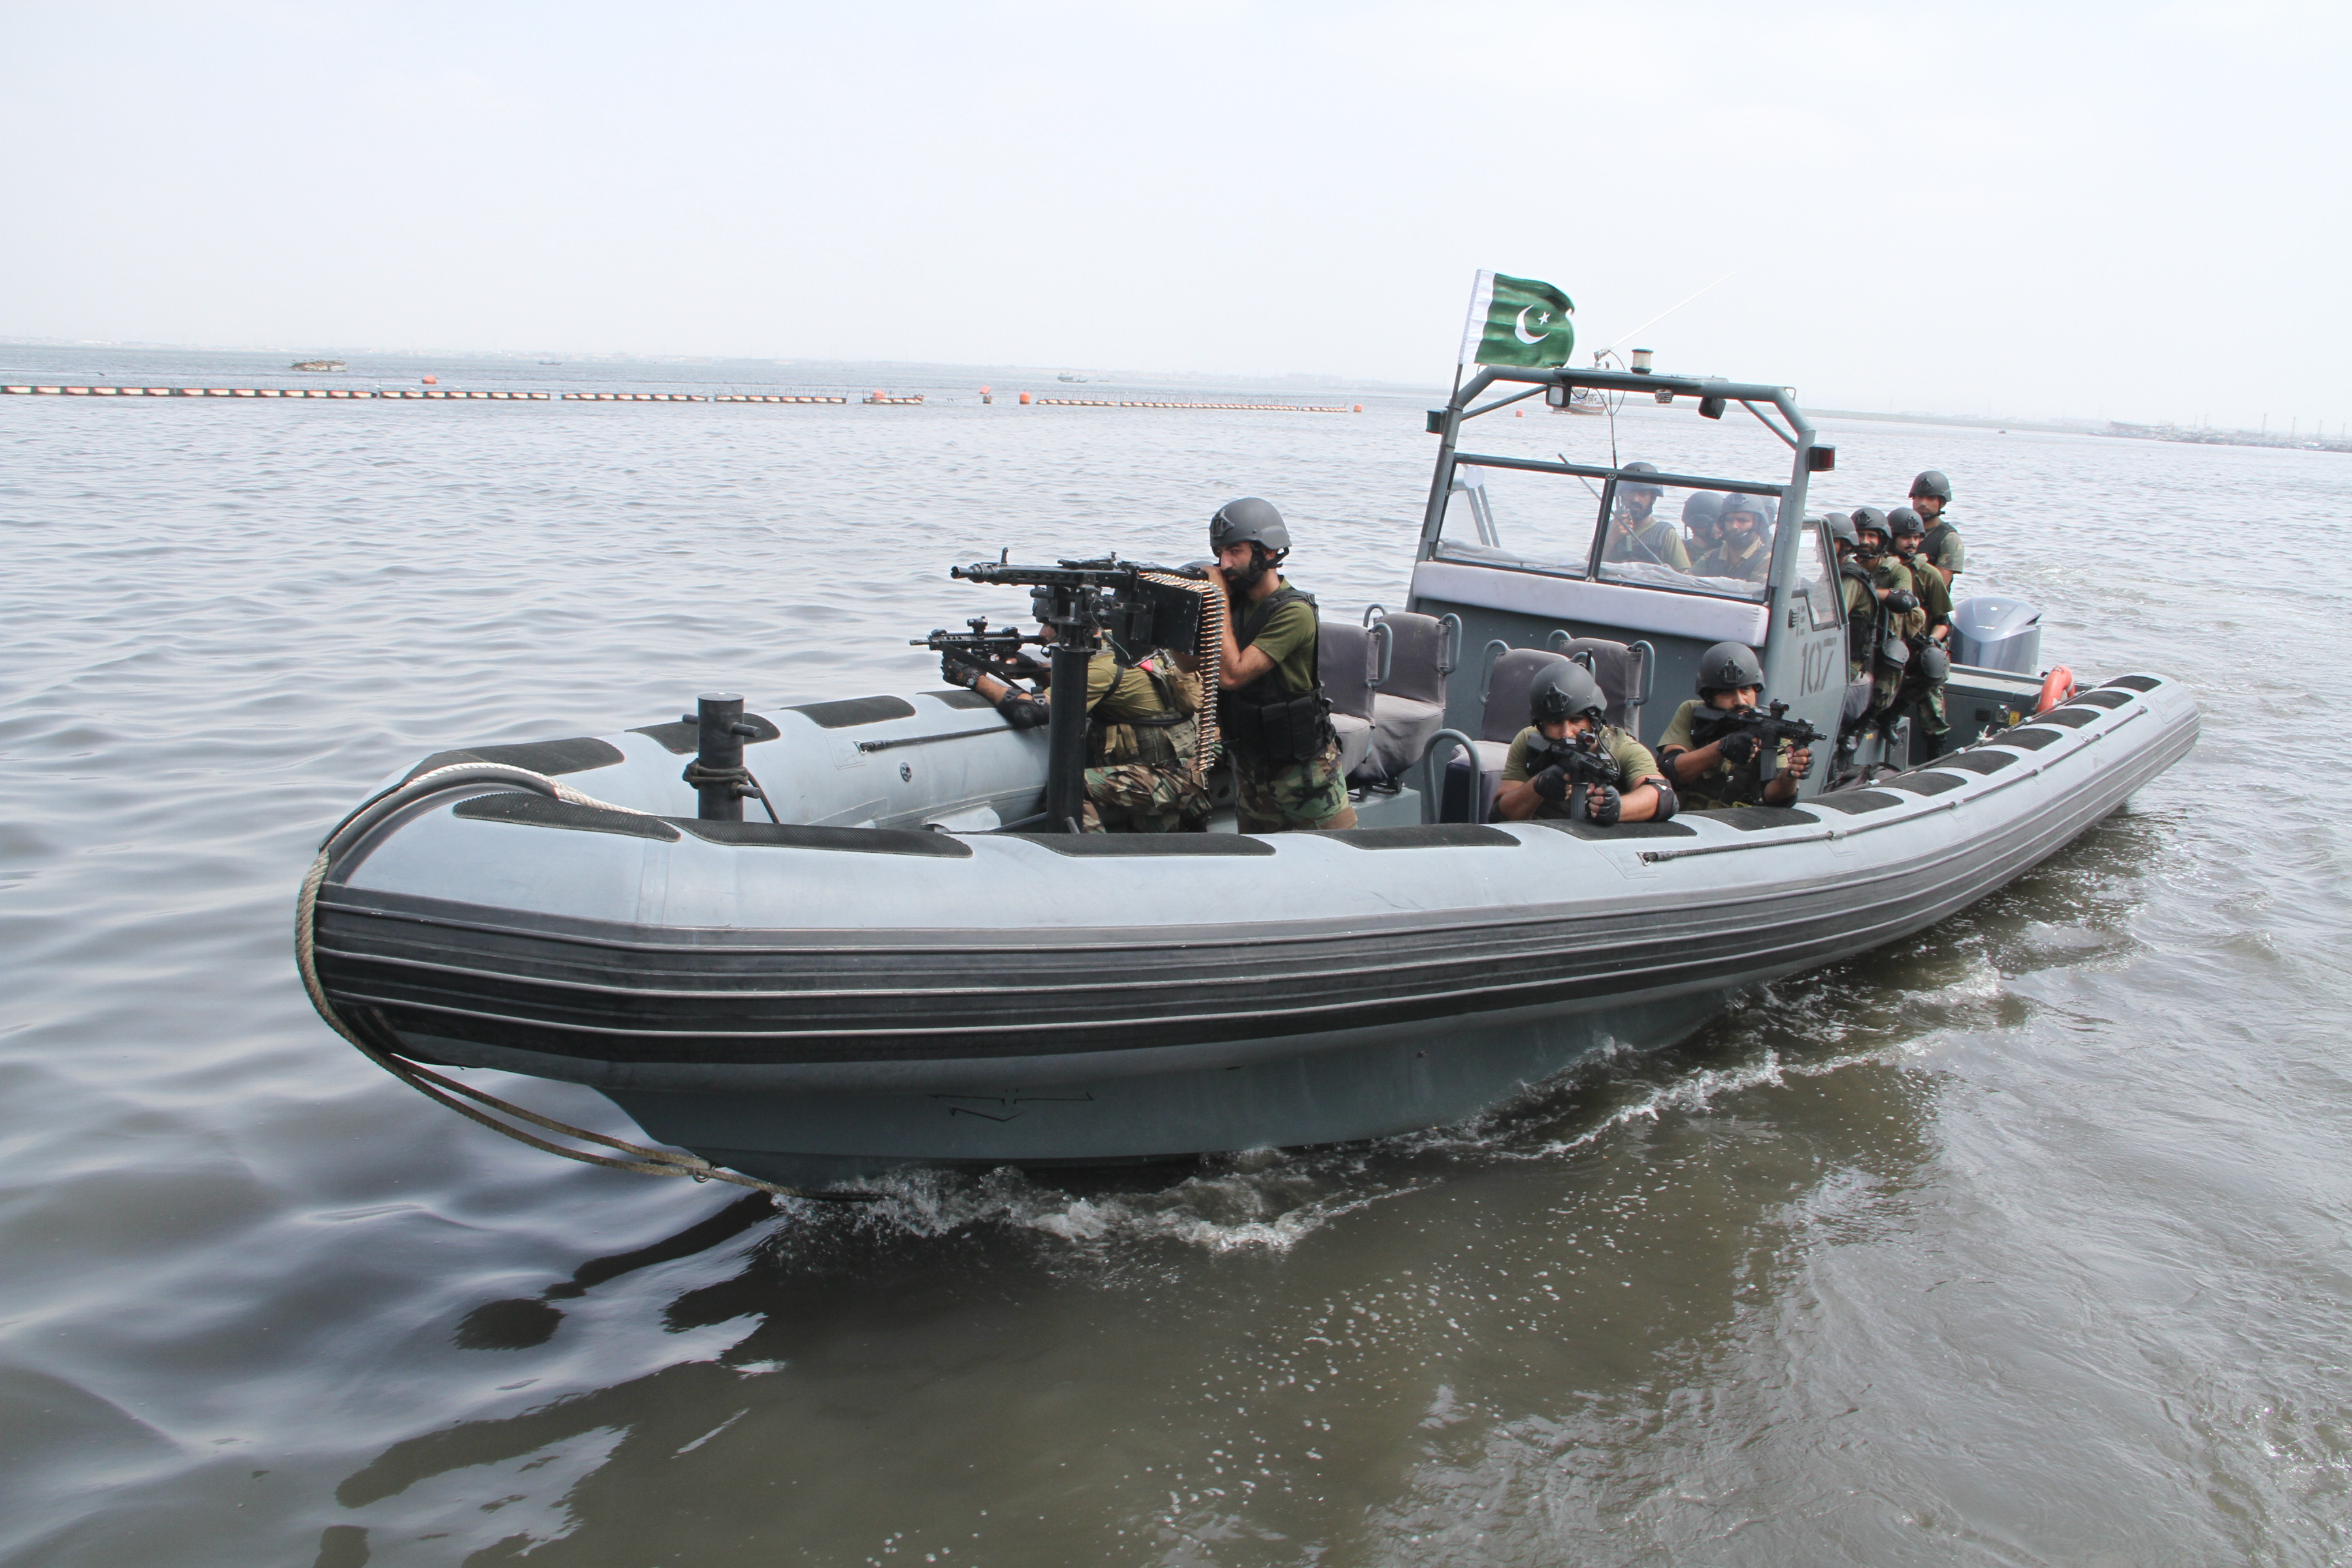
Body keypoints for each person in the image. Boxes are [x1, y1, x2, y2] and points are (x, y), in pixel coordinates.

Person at [1200, 497, 1358, 832]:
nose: (1225, 564)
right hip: (1251, 768)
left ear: (1268, 552)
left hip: (1305, 775)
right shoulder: (1233, 608)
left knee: (1342, 864)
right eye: (1220, 554)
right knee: (1260, 869)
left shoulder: (1293, 612)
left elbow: (1231, 675)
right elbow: (1189, 667)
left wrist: (1217, 601)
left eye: (1236, 552)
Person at [947, 642, 1208, 832]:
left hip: (1162, 781)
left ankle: (1092, 858)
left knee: (1069, 787)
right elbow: (1090, 682)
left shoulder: (1107, 667)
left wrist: (974, 679)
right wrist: (1036, 669)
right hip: (1188, 776)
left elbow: (1030, 712)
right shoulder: (1153, 654)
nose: (1042, 634)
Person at [1492, 662, 1675, 825]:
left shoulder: (1621, 748)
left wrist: (1616, 808)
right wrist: (1538, 785)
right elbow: (1502, 813)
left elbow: (1662, 795)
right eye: (1555, 722)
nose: (1567, 733)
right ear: (1541, 724)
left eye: (1576, 720)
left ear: (1593, 719)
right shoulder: (1529, 740)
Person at [1655, 642, 1814, 809]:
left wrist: (1791, 775)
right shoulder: (1692, 711)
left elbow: (1775, 797)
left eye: (1745, 690)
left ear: (1756, 690)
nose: (1739, 701)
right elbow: (1670, 770)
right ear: (1709, 696)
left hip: (1737, 824)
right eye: (1726, 693)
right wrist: (1722, 748)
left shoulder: (1771, 730)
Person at [1886, 506, 1953, 750]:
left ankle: (1934, 754)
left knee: (1932, 700)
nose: (1912, 543)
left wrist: (1932, 641)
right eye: (1906, 537)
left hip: (1917, 645)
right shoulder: (1882, 569)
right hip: (1887, 643)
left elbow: (1944, 621)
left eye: (1916, 538)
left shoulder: (1928, 575)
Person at [1597, 462, 1692, 571]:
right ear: (1621, 496)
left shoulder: (1666, 535)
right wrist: (1610, 539)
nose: (1635, 499)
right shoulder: (1607, 529)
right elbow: (1587, 567)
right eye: (1630, 493)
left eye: (1643, 494)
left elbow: (1685, 579)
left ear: (1653, 498)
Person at [1695, 492, 1773, 581]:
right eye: (1729, 520)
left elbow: (1757, 592)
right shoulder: (1711, 557)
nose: (1734, 526)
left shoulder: (1767, 560)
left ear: (1757, 524)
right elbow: (1686, 582)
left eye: (1743, 520)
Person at [1908, 470, 1963, 587]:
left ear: (1942, 503)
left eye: (1931, 498)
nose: (1923, 503)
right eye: (1920, 497)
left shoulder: (1948, 538)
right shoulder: (1899, 529)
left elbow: (1939, 587)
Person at [1681, 490, 1724, 562]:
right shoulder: (1677, 550)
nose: (1723, 530)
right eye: (1719, 525)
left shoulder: (1728, 552)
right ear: (1700, 525)